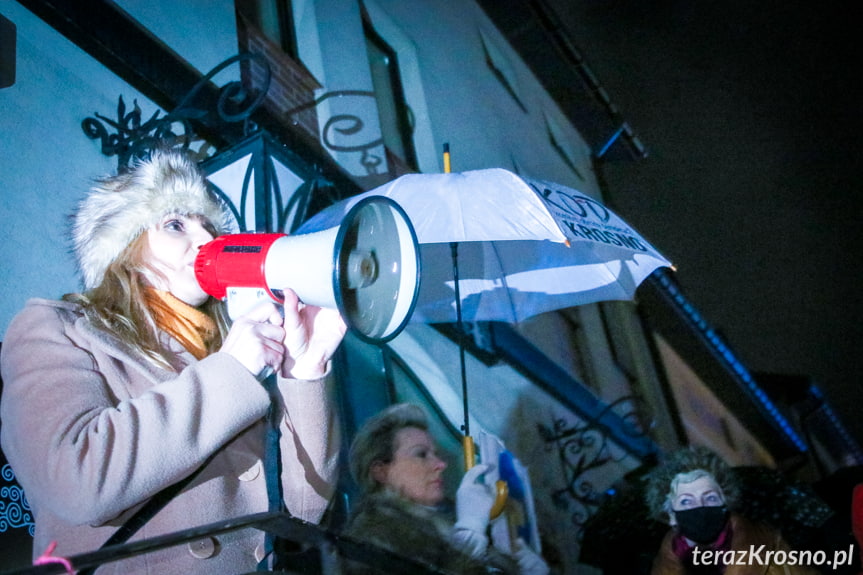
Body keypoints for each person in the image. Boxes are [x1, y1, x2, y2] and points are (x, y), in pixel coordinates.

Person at [0, 148, 347, 574]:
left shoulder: (222, 352)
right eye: (176, 224)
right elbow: (76, 479)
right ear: (123, 250)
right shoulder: (57, 328)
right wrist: (231, 370)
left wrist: (304, 374)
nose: (205, 240)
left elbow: (301, 511)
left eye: (208, 226)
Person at [342, 402, 549, 575]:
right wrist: (470, 532)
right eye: (421, 454)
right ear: (382, 472)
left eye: (435, 453)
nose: (440, 464)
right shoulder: (372, 535)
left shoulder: (443, 521)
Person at [645, 445, 819, 575]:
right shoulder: (665, 565)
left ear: (725, 503)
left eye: (710, 498)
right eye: (686, 501)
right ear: (670, 514)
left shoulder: (770, 545)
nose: (700, 508)